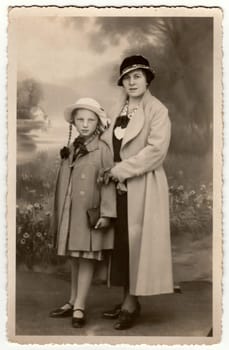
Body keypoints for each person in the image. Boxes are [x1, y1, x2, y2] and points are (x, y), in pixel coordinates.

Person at [100, 55, 174, 330]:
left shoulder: (157, 110)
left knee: (136, 244)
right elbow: (106, 144)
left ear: (147, 79)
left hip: (142, 184)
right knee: (121, 244)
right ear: (121, 82)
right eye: (126, 78)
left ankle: (132, 303)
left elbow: (156, 152)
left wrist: (120, 170)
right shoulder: (118, 109)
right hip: (117, 187)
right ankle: (126, 299)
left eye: (137, 76)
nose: (131, 82)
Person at [49, 97, 116, 328]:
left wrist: (107, 213)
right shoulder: (72, 148)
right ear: (74, 123)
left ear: (98, 122)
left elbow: (109, 182)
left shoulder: (103, 149)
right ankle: (71, 300)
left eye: (90, 119)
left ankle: (80, 306)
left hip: (91, 213)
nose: (85, 124)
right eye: (80, 119)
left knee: (86, 258)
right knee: (75, 258)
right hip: (72, 212)